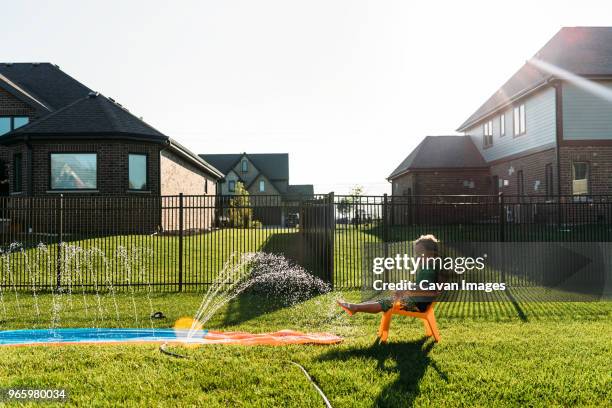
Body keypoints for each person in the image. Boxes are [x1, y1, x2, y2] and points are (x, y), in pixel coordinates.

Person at [337, 234, 442, 315]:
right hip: (415, 301)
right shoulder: (426, 268)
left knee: (385, 303)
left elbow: (428, 289)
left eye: (420, 254)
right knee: (384, 300)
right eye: (416, 254)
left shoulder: (429, 270)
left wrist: (407, 288)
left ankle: (355, 308)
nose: (417, 257)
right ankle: (355, 306)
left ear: (431, 254)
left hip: (417, 305)